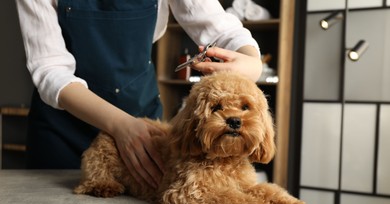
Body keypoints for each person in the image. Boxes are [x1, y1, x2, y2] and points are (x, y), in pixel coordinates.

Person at [15, 0, 263, 189]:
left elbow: (224, 30)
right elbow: (50, 70)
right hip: (62, 130)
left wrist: (253, 64)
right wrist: (120, 125)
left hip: (142, 120)